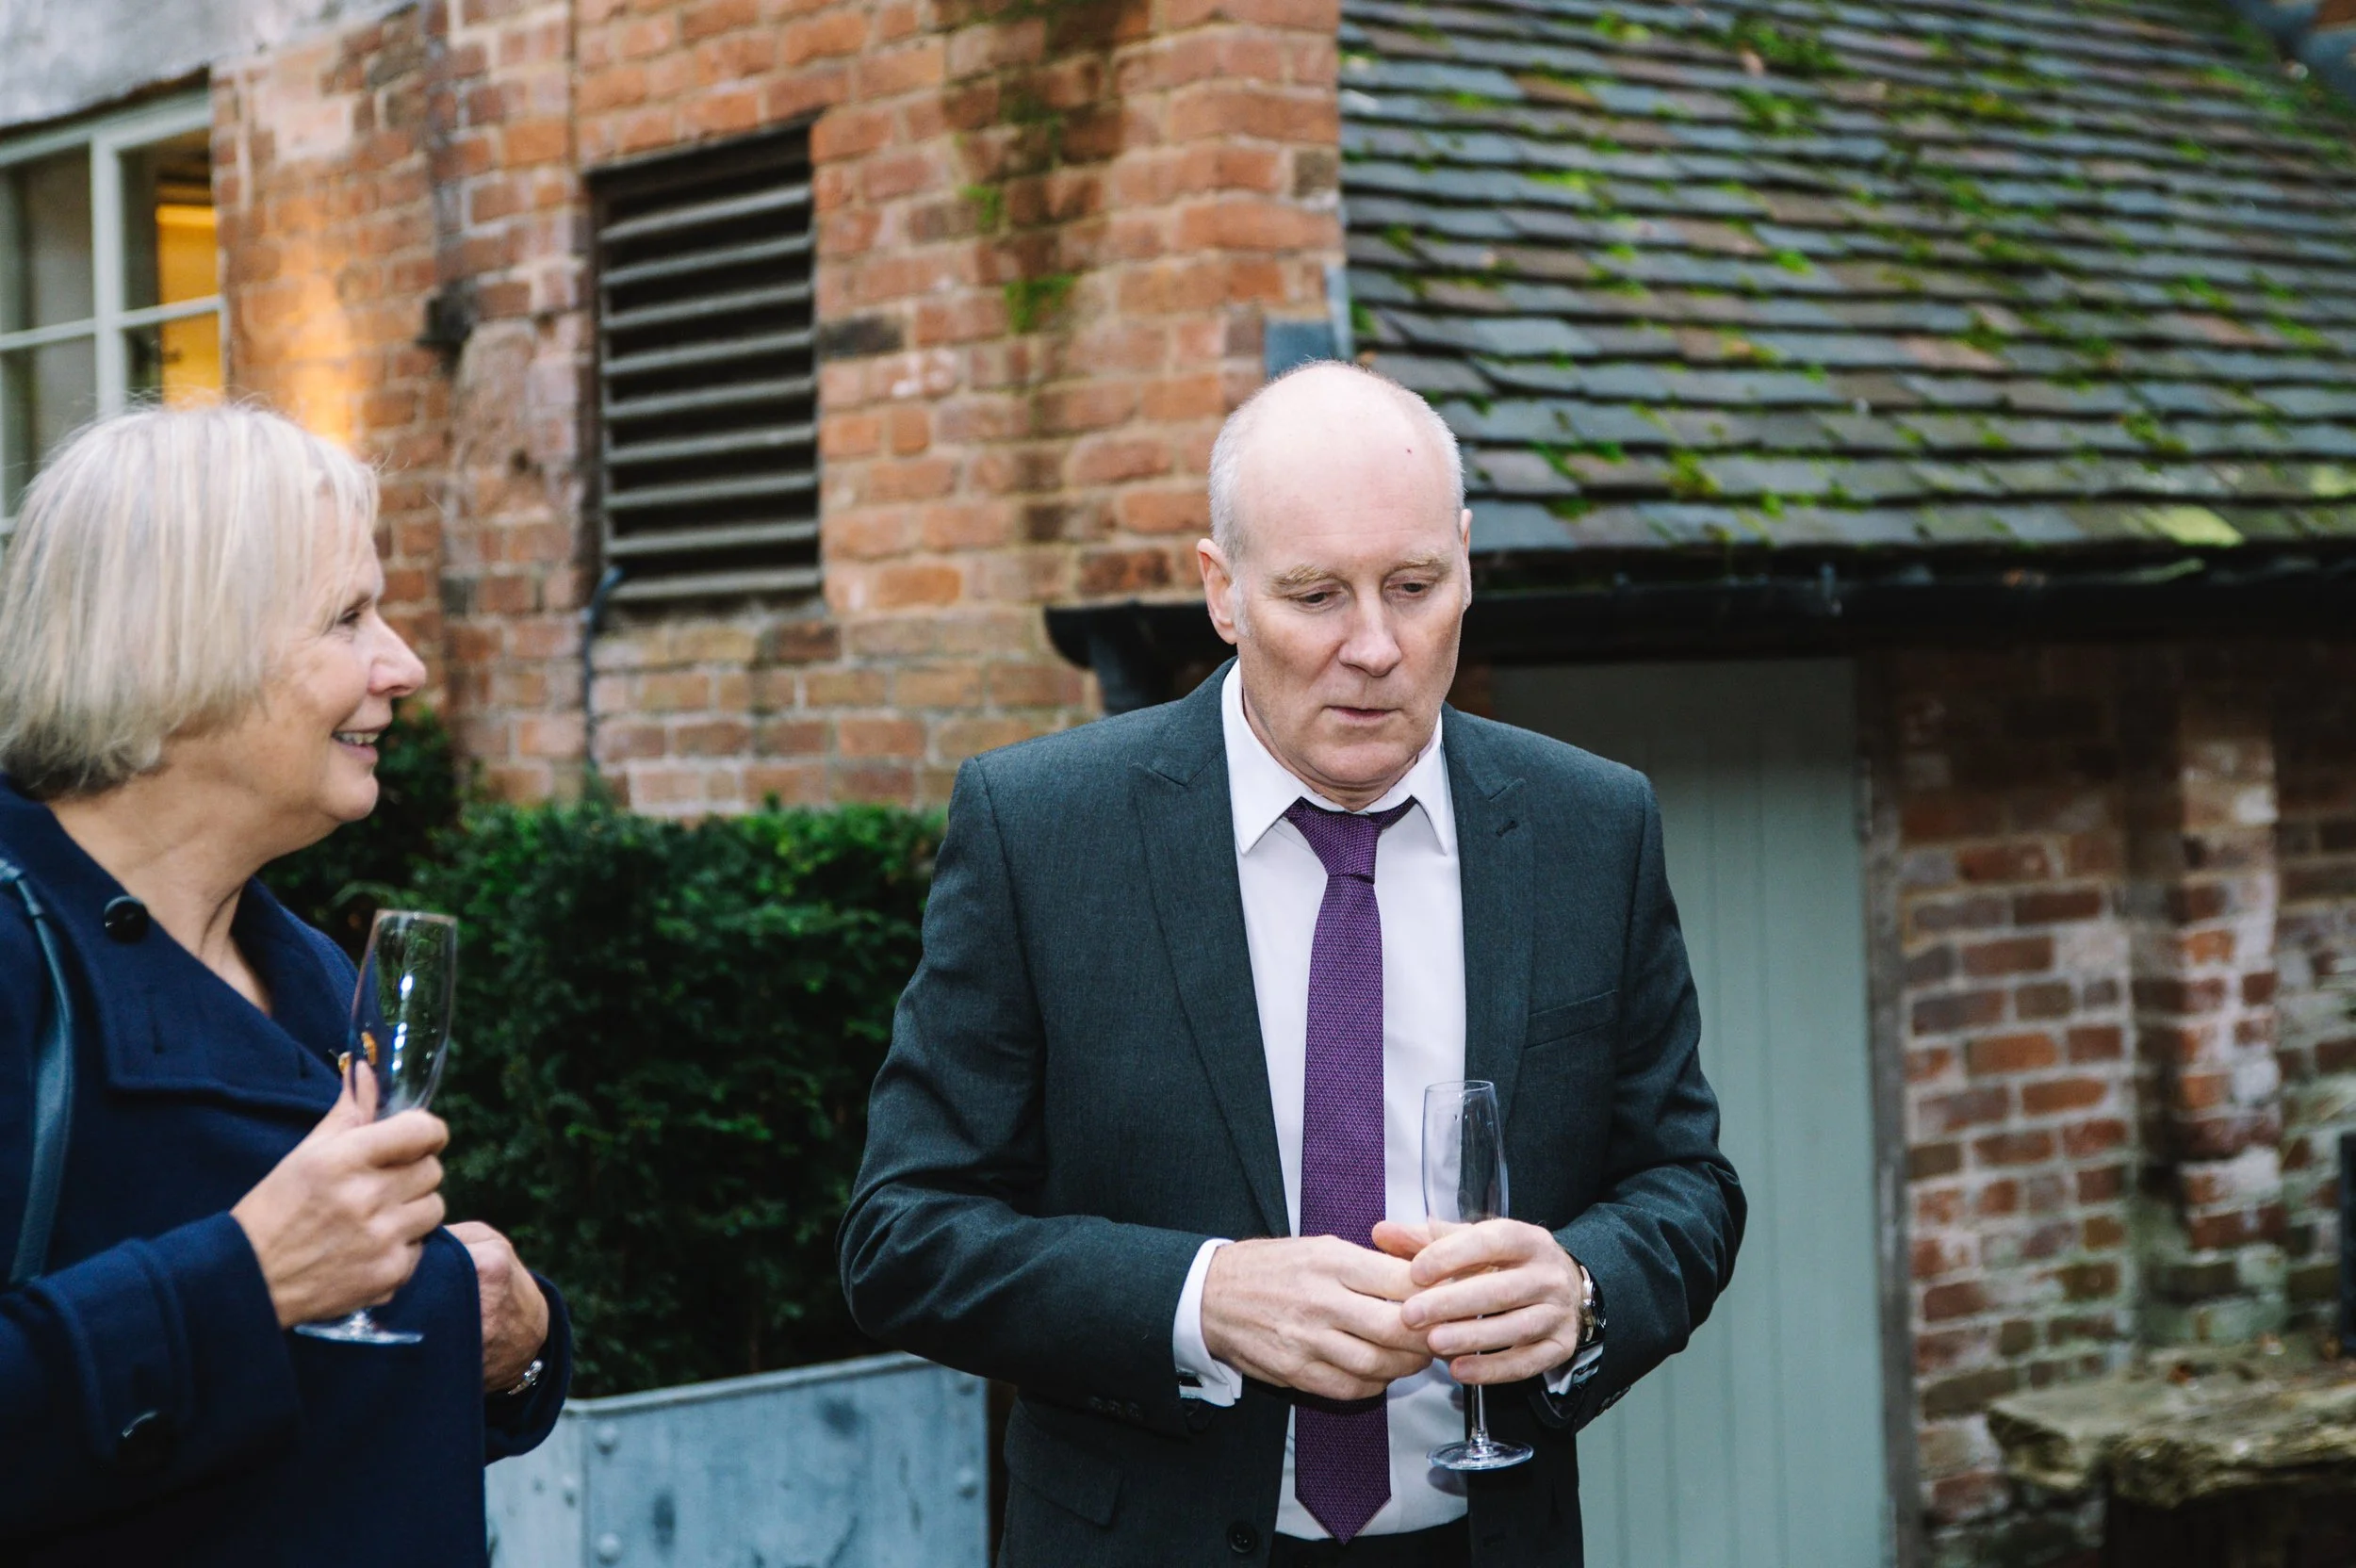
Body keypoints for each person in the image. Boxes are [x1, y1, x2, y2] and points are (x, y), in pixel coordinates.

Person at [841, 361, 1744, 1566]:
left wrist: (1583, 1285)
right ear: (1221, 590)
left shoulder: (1594, 824)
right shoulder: (1040, 830)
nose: (1373, 645)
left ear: (1466, 562)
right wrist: (1200, 1297)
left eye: (1414, 586)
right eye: (1316, 594)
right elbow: (903, 1235)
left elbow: (1686, 1183)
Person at [0, 405, 570, 1564]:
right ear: (176, 651)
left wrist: (521, 1341)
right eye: (348, 617)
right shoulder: (17, 960)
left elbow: (349, 1388)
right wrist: (246, 1279)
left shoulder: (304, 962)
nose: (403, 665)